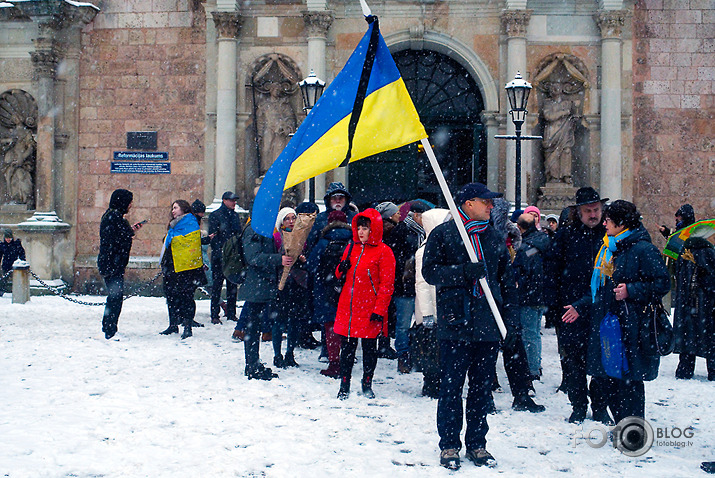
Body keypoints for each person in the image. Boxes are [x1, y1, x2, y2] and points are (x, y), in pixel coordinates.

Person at [422, 183, 520, 470]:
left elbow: (505, 281)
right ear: (467, 204)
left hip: (488, 324)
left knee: (481, 389)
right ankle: (449, 444)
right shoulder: (445, 234)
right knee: (451, 388)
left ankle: (477, 443)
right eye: (485, 202)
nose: (491, 207)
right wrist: (462, 272)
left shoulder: (493, 237)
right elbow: (430, 272)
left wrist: (509, 322)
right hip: (456, 323)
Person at [586, 200, 670, 422]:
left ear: (622, 223)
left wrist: (631, 290)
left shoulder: (643, 249)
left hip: (634, 327)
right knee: (612, 380)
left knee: (630, 384)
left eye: (609, 220)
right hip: (612, 324)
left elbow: (662, 283)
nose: (604, 223)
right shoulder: (612, 247)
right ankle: (623, 426)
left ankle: (633, 432)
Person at [547, 186, 610, 424]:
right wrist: (554, 306)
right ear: (579, 212)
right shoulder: (566, 235)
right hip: (570, 309)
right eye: (588, 211)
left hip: (601, 309)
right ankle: (578, 405)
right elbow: (552, 271)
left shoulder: (609, 236)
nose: (593, 215)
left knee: (603, 361)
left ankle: (601, 406)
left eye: (596, 210)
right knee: (573, 362)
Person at [334, 208, 395, 400]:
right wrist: (340, 268)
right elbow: (339, 275)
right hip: (348, 306)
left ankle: (367, 383)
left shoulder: (384, 252)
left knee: (369, 349)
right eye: (359, 227)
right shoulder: (351, 247)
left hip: (368, 309)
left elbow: (387, 285)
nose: (361, 232)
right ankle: (344, 384)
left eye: (365, 228)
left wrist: (379, 310)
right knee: (347, 349)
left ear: (373, 229)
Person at [235, 214, 291, 380]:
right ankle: (252, 365)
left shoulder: (262, 228)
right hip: (255, 286)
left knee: (255, 326)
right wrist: (278, 259)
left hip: (261, 286)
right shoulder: (254, 228)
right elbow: (254, 257)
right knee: (252, 328)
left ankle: (254, 363)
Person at [382, 200, 428, 372]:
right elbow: (395, 259)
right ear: (416, 215)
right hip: (406, 284)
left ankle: (417, 354)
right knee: (404, 322)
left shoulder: (422, 232)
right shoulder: (402, 231)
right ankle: (404, 355)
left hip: (418, 282)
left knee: (421, 321)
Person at [306, 210, 353, 378]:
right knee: (348, 327)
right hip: (348, 289)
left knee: (330, 327)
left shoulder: (323, 241)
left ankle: (334, 363)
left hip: (326, 290)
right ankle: (347, 360)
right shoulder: (352, 241)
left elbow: (311, 266)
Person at [97, 189, 143, 339]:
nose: (131, 205)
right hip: (112, 264)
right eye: (129, 202)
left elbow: (118, 236)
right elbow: (114, 241)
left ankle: (109, 326)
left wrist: (129, 231)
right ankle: (110, 329)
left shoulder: (114, 217)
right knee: (115, 297)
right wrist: (127, 232)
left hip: (113, 263)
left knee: (115, 297)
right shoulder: (113, 218)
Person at [413, 208, 449, 398]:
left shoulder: (442, 246)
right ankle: (431, 384)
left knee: (440, 350)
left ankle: (439, 382)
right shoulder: (424, 251)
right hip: (431, 310)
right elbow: (422, 285)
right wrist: (427, 314)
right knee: (431, 350)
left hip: (442, 307)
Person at [159, 200, 207, 339]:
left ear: (183, 209)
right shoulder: (174, 225)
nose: (173, 211)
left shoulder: (191, 223)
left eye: (175, 208)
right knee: (171, 296)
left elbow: (189, 243)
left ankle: (187, 325)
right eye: (172, 208)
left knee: (186, 297)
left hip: (186, 268)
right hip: (172, 266)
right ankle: (173, 324)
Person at [513, 213, 551, 381]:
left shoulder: (526, 248)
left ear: (520, 227)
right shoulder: (545, 241)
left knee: (529, 334)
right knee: (534, 332)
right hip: (541, 294)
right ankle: (535, 365)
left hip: (529, 295)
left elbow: (525, 272)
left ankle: (531, 368)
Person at [672, 234, 715, 380]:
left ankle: (685, 369)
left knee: (687, 338)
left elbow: (677, 276)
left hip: (686, 305)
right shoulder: (709, 253)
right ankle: (713, 371)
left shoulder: (683, 253)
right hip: (706, 306)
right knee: (710, 338)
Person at [271, 207, 307, 368]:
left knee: (294, 320)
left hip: (298, 282)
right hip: (281, 283)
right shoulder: (277, 238)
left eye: (293, 218)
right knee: (279, 320)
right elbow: (271, 258)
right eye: (287, 218)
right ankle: (277, 354)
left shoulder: (302, 237)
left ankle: (290, 353)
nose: (291, 221)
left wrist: (303, 259)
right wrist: (280, 259)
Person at [209, 191, 242, 324]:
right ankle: (214, 314)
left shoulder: (235, 216)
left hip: (232, 256)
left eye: (235, 200)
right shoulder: (215, 215)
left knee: (232, 285)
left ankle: (231, 312)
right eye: (232, 200)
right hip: (220, 256)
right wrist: (220, 251)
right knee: (217, 286)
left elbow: (237, 235)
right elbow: (214, 236)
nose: (234, 203)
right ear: (224, 200)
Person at [0, 229, 26, 295]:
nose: (8, 240)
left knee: (17, 280)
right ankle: (2, 291)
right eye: (7, 238)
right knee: (4, 280)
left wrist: (22, 262)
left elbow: (21, 253)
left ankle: (18, 292)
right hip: (6, 264)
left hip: (15, 264)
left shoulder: (16, 244)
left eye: (9, 238)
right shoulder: (2, 245)